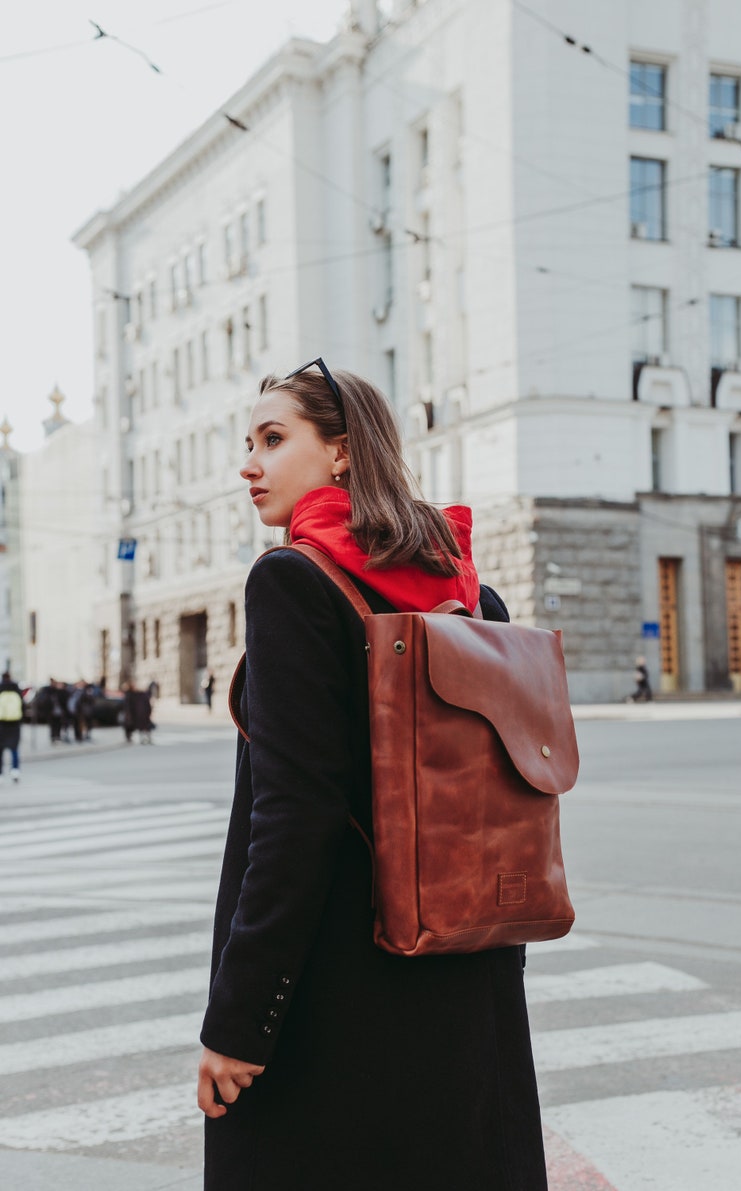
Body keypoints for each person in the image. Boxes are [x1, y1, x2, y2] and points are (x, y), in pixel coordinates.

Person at [197, 362, 548, 1190]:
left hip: (337, 1001)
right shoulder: (470, 594)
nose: (250, 463)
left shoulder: (292, 581)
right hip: (467, 983)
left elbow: (292, 821)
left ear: (345, 454)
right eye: (248, 443)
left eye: (273, 439)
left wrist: (241, 1021)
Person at [0, 672, 24, 783]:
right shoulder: (16, 689)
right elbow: (22, 707)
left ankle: (0, 774)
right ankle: (15, 771)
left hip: (1, 724)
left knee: (0, 750)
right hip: (15, 724)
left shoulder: (0, 688)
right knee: (14, 749)